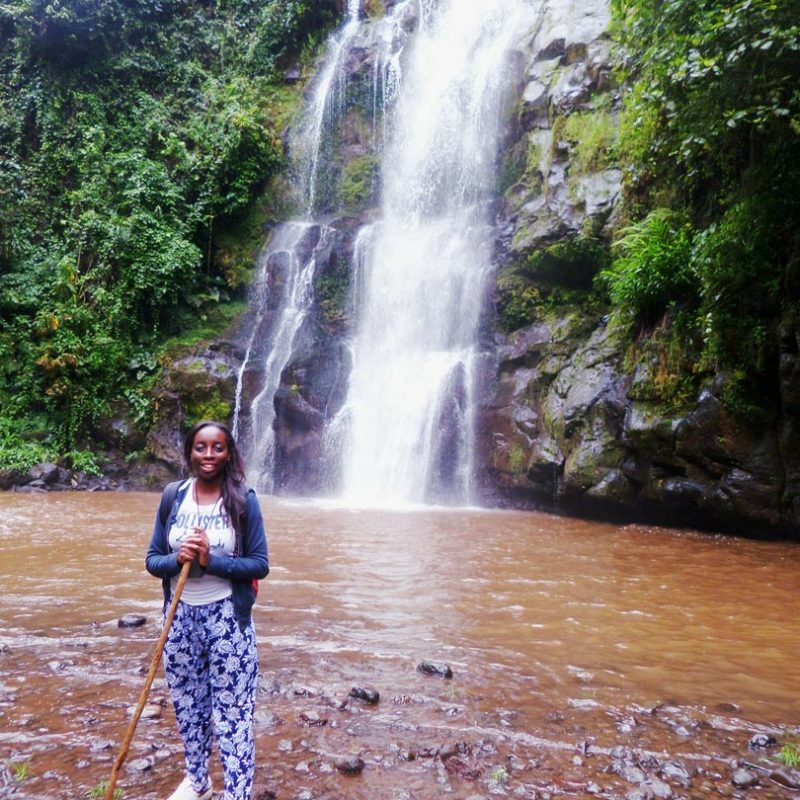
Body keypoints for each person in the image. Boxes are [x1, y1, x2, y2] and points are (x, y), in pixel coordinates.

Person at [145, 420, 269, 800]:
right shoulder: (173, 496)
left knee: (233, 716)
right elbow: (152, 560)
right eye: (201, 447)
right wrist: (176, 558)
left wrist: (210, 560)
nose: (209, 455)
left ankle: (237, 794)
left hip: (228, 620)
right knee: (188, 707)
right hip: (179, 618)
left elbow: (259, 564)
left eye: (218, 447)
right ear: (189, 453)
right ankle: (198, 782)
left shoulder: (243, 500)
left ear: (229, 453)